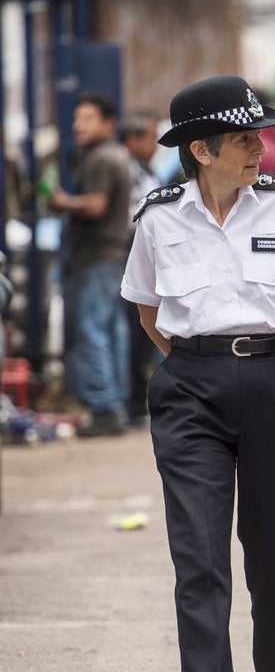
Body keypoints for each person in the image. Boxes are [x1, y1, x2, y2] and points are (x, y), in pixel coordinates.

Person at [121, 74, 275, 672]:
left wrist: (256, 349)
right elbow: (149, 311)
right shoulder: (157, 217)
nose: (259, 147)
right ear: (202, 150)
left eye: (260, 134)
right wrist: (203, 362)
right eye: (245, 138)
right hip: (192, 389)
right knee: (199, 559)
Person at [49, 91, 131, 437]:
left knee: (91, 332)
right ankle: (116, 403)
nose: (77, 126)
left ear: (108, 124)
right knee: (112, 331)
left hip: (96, 258)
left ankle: (104, 407)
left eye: (87, 119)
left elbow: (96, 206)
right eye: (76, 118)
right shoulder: (117, 155)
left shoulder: (100, 159)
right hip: (111, 258)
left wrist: (61, 201)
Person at [119, 112, 162, 426]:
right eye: (150, 136)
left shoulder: (147, 171)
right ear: (132, 139)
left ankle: (137, 401)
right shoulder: (127, 171)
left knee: (142, 336)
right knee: (134, 332)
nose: (156, 144)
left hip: (151, 262)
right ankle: (132, 403)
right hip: (128, 261)